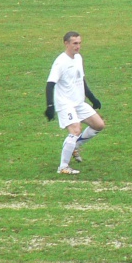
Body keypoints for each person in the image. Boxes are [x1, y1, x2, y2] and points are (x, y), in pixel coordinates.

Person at [45, 31, 104, 175]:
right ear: (66, 44)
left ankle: (74, 146)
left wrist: (92, 98)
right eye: (75, 43)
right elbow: (50, 84)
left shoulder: (78, 58)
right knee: (76, 130)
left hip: (78, 102)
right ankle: (63, 167)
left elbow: (81, 80)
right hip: (65, 104)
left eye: (79, 43)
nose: (78, 46)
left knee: (98, 125)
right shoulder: (60, 62)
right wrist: (50, 106)